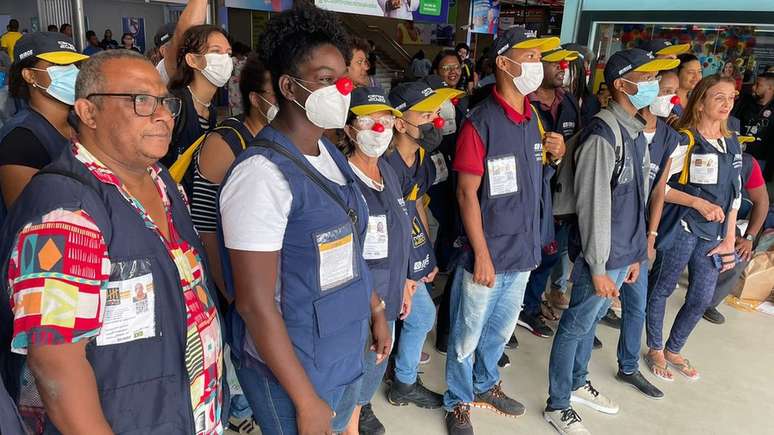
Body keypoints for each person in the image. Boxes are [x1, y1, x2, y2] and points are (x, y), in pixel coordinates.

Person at [0, 48, 226, 434]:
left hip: (186, 415)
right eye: (140, 101)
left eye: (165, 101)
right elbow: (57, 364)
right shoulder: (65, 212)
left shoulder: (163, 184)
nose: (162, 114)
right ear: (88, 112)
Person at [218, 4, 391, 434]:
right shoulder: (261, 175)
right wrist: (304, 400)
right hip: (296, 371)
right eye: (325, 81)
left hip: (343, 351)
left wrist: (375, 309)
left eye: (342, 79)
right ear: (288, 86)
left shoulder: (329, 153)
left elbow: (351, 242)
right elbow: (255, 304)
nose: (340, 92)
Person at [545, 48, 677, 435]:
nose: (654, 85)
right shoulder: (603, 136)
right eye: (647, 78)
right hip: (600, 257)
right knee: (575, 324)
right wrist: (600, 267)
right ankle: (557, 403)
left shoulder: (634, 131)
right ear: (622, 85)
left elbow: (635, 200)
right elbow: (594, 209)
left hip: (623, 253)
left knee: (591, 323)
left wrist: (636, 253)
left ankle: (577, 380)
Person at [444, 28, 561, 435]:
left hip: (522, 251)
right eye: (529, 57)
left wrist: (554, 156)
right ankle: (458, 401)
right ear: (504, 64)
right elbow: (465, 193)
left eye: (538, 58)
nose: (537, 65)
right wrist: (481, 253)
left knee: (499, 330)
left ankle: (484, 382)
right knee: (466, 335)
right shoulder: (481, 123)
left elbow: (531, 183)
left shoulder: (533, 119)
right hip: (488, 253)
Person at [647, 75, 743, 383]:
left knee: (701, 297)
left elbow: (735, 195)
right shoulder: (685, 139)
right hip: (682, 228)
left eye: (731, 97)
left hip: (713, 236)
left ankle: (675, 348)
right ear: (700, 103)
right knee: (662, 288)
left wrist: (730, 237)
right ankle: (656, 348)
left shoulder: (732, 142)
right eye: (718, 97)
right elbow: (660, 187)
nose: (727, 103)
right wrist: (697, 203)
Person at [339, 86, 412, 435]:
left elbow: (401, 229)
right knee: (350, 391)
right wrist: (375, 310)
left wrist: (406, 284)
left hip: (391, 298)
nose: (379, 131)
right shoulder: (342, 180)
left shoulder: (389, 171)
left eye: (385, 121)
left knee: (367, 383)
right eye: (369, 122)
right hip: (362, 310)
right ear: (351, 129)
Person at [384, 80, 446, 409]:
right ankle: (361, 404)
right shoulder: (381, 162)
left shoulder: (421, 157)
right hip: (383, 258)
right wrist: (403, 275)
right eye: (425, 114)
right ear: (399, 121)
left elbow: (416, 204)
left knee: (421, 315)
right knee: (383, 327)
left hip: (410, 252)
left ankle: (404, 383)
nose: (435, 120)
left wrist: (425, 256)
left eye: (435, 112)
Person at [517, 46, 578, 341]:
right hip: (530, 194)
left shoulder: (569, 103)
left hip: (560, 194)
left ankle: (530, 303)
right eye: (554, 62)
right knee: (528, 255)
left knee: (550, 255)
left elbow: (577, 145)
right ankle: (521, 308)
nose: (562, 67)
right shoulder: (523, 103)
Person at [0, 32, 88, 209]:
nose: (72, 72)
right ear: (29, 75)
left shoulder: (78, 121)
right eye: (58, 64)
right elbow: (28, 217)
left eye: (74, 64)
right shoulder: (20, 140)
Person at [703, 153, 769, 324]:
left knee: (740, 254)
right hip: (686, 217)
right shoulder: (697, 147)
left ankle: (708, 303)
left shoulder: (746, 162)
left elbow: (762, 201)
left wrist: (749, 237)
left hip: (725, 223)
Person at [162, 25, 232, 168]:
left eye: (229, 53)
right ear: (192, 60)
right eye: (216, 52)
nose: (225, 59)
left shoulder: (210, 110)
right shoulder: (173, 106)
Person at [156, 0, 208, 85]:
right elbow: (187, 34)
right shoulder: (164, 70)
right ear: (163, 50)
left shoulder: (192, 65)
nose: (187, 46)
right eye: (173, 43)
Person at [732, 72, 774, 176]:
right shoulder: (745, 101)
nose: (753, 87)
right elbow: (731, 121)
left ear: (770, 88)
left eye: (758, 85)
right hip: (737, 154)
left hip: (760, 159)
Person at [228, 41, 252, 115]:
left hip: (244, 82)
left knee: (243, 101)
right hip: (233, 84)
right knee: (233, 101)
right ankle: (234, 116)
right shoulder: (232, 60)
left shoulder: (247, 60)